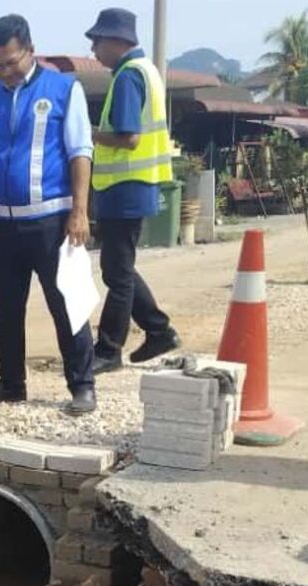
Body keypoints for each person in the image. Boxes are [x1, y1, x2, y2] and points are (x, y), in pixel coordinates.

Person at [0, 14, 99, 416]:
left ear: (30, 51)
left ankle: (82, 385)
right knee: (5, 308)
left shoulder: (62, 89)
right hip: (3, 223)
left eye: (10, 62)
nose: (4, 71)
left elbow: (80, 152)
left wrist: (80, 211)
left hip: (53, 221)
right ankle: (11, 382)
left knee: (65, 304)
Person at [86, 8, 182, 373]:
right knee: (119, 269)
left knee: (118, 273)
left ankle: (109, 350)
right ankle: (159, 330)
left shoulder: (128, 76)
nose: (94, 49)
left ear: (117, 40)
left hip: (124, 188)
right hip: (131, 187)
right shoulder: (147, 71)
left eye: (97, 41)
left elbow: (128, 137)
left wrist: (87, 132)